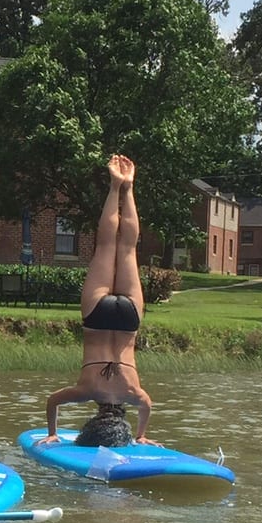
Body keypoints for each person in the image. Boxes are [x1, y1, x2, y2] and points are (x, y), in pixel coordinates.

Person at [39, 154, 158, 448]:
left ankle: (126, 187)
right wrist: (51, 430)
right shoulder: (86, 390)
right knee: (108, 245)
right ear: (99, 415)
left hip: (128, 320)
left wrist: (141, 433)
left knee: (127, 249)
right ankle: (115, 186)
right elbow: (52, 401)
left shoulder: (134, 393)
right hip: (96, 318)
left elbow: (146, 407)